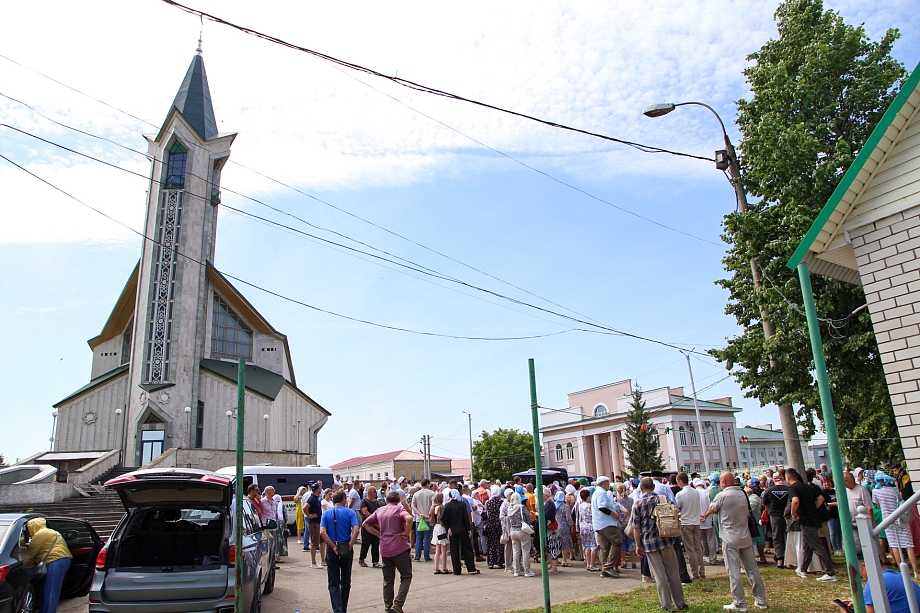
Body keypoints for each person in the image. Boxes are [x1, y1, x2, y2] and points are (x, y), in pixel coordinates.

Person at [703, 471, 767, 611]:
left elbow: (712, 509)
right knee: (752, 569)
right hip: (745, 535)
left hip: (729, 537)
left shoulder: (722, 495)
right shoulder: (743, 493)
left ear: (724, 483)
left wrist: (705, 515)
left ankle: (739, 602)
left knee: (733, 571)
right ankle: (761, 599)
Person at [632, 477, 687, 612]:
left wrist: (638, 545)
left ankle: (667, 605)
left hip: (650, 543)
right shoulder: (663, 499)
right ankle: (680, 602)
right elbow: (676, 514)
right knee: (673, 573)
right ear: (653, 487)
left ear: (641, 488)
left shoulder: (638, 503)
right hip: (666, 538)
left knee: (659, 576)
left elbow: (636, 527)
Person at [362, 490, 413, 613]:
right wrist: (407, 532)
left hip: (385, 546)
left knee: (388, 579)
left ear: (386, 500)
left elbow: (365, 524)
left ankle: (388, 605)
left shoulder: (379, 511)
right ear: (398, 500)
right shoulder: (399, 510)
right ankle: (398, 603)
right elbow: (409, 518)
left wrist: (379, 534)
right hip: (399, 546)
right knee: (406, 576)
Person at [788, 467, 836, 582]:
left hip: (806, 519)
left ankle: (830, 573)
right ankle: (803, 569)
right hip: (813, 518)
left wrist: (793, 513)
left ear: (788, 478)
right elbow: (820, 497)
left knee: (817, 547)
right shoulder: (807, 486)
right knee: (807, 546)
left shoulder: (793, 488)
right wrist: (813, 508)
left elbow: (795, 500)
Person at [873, 470, 919, 577]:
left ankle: (903, 571)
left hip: (887, 520)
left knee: (894, 545)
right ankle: (916, 571)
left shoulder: (876, 492)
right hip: (900, 518)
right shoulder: (894, 489)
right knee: (908, 545)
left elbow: (878, 505)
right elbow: (900, 500)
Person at [320, 490, 360, 613]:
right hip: (345, 546)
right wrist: (350, 544)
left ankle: (337, 609)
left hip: (333, 547)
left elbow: (322, 532)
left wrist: (332, 546)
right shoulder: (350, 512)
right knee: (345, 581)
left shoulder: (326, 514)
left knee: (333, 582)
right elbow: (356, 530)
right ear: (343, 499)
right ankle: (343, 608)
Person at [22, 517, 72, 613]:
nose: (28, 531)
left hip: (55, 561)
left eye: (28, 528)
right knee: (49, 590)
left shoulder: (40, 534)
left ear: (33, 526)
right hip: (61, 560)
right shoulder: (50, 532)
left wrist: (24, 568)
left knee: (50, 593)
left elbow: (31, 554)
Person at [441, 488, 479, 575]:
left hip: (452, 530)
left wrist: (448, 527)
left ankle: (457, 570)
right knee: (467, 548)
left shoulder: (447, 505)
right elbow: (465, 518)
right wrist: (469, 529)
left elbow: (443, 518)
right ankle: (471, 568)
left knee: (454, 550)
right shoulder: (461, 505)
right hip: (463, 529)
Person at [675, 472, 704, 579]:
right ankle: (702, 571)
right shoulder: (696, 492)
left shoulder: (680, 494)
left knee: (690, 549)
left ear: (681, 481)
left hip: (686, 522)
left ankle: (695, 572)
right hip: (696, 522)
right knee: (698, 548)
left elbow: (677, 508)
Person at [763, 474, 790, 568]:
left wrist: (769, 511)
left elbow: (765, 504)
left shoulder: (769, 490)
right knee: (788, 537)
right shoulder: (788, 489)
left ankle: (780, 560)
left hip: (774, 515)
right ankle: (789, 558)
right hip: (787, 515)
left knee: (777, 537)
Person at [508, 492, 535, 577]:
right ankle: (527, 571)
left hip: (513, 531)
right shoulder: (521, 507)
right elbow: (529, 518)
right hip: (522, 530)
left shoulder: (510, 508)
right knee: (525, 551)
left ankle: (517, 571)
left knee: (516, 551)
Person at [410, 478, 435, 562]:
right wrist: (429, 514)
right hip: (428, 518)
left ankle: (417, 556)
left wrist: (419, 513)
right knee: (427, 537)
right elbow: (433, 505)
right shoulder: (431, 493)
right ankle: (426, 556)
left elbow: (413, 506)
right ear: (427, 484)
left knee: (419, 538)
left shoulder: (416, 494)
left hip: (419, 519)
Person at [358, 486, 383, 568]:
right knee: (366, 543)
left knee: (375, 544)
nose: (376, 493)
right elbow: (365, 512)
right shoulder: (364, 501)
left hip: (376, 526)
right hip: (367, 525)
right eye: (374, 491)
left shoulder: (376, 502)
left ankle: (375, 561)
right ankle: (362, 559)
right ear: (369, 492)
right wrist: (373, 519)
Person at [484, 484, 506, 569]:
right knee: (499, 543)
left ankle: (491, 562)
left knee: (491, 543)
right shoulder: (501, 502)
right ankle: (500, 562)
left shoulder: (488, 503)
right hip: (499, 524)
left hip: (490, 524)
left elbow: (487, 513)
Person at [577, 488, 599, 571]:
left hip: (583, 526)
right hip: (591, 526)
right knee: (594, 545)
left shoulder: (581, 505)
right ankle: (592, 564)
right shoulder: (590, 506)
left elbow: (579, 517)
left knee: (586, 545)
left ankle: (588, 563)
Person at [305, 482, 324, 568]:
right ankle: (313, 562)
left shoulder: (317, 498)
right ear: (317, 489)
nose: (320, 490)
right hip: (314, 523)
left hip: (318, 522)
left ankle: (323, 560)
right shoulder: (312, 498)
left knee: (321, 541)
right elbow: (305, 508)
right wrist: (309, 515)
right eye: (319, 488)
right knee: (314, 543)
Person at [431, 492, 450, 574]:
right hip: (441, 528)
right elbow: (441, 518)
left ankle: (436, 567)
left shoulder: (433, 507)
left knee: (437, 549)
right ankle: (444, 567)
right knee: (444, 549)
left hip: (436, 527)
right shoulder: (441, 507)